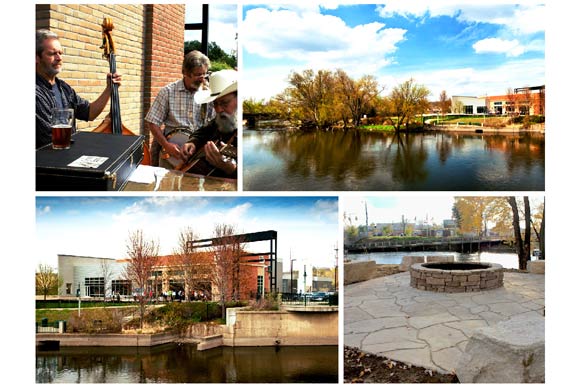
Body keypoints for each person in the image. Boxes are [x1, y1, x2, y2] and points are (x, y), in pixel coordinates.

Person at [36, 29, 122, 149]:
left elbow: (89, 112)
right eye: (52, 54)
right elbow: (51, 140)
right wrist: (101, 131)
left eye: (60, 53)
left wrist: (109, 88)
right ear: (36, 58)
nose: (59, 58)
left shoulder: (64, 88)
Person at [144, 50, 215, 168]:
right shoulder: (168, 92)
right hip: (170, 159)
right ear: (185, 72)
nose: (202, 79)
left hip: (198, 161)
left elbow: (214, 125)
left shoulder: (208, 94)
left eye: (204, 74)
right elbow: (152, 122)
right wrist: (166, 145)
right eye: (198, 74)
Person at [181, 69, 238, 179]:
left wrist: (232, 169)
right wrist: (193, 142)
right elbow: (202, 132)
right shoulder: (220, 120)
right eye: (215, 104)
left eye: (224, 103)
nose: (218, 109)